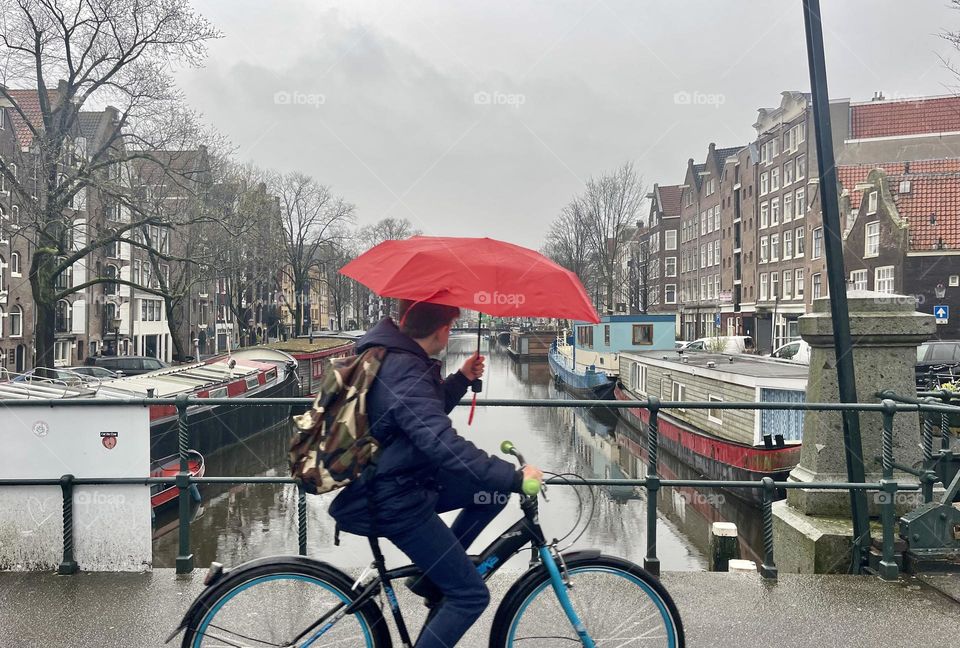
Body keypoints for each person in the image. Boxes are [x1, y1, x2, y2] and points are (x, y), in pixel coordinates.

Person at [329, 300, 542, 648]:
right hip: (394, 496)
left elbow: (415, 413)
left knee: (490, 492)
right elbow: (442, 444)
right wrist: (516, 477)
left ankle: (433, 577)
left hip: (401, 477)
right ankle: (446, 581)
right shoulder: (405, 369)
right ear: (444, 330)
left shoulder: (399, 358)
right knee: (470, 596)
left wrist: (460, 380)